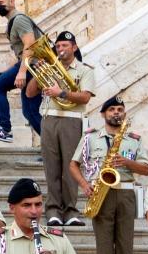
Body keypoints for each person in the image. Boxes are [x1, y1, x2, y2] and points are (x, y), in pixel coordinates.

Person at [69, 96, 148, 254]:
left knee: (125, 244)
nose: (116, 112)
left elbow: (146, 169)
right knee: (104, 244)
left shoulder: (134, 139)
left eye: (120, 109)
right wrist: (85, 185)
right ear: (103, 114)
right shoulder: (90, 138)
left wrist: (127, 162)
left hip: (125, 192)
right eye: (112, 109)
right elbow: (73, 165)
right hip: (100, 192)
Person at [25, 30, 95, 226]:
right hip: (49, 120)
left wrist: (61, 93)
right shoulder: (50, 67)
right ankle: (53, 209)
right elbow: (30, 93)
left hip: (72, 119)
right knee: (51, 167)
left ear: (74, 47)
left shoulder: (84, 70)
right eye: (58, 46)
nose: (61, 49)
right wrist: (38, 73)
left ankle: (71, 210)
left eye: (65, 46)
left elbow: (85, 97)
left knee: (71, 167)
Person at [0, 0, 44, 143]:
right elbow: (21, 51)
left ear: (12, 2)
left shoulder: (19, 20)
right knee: (30, 112)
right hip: (32, 66)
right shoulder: (13, 21)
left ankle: (4, 129)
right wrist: (12, 70)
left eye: (1, 3)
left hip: (32, 66)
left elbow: (30, 45)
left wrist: (21, 72)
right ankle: (52, 146)